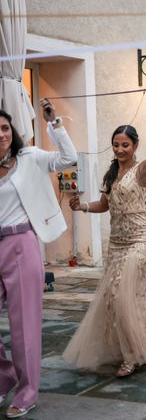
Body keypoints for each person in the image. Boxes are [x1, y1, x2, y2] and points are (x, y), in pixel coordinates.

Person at [64, 97, 146, 378]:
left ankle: (132, 356)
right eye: (116, 145)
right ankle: (135, 347)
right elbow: (104, 205)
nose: (119, 149)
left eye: (125, 145)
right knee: (119, 299)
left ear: (135, 146)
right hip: (116, 242)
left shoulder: (143, 171)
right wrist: (82, 207)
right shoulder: (112, 173)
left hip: (141, 239)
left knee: (123, 293)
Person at [0, 101, 77, 419]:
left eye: (5, 128)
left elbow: (68, 158)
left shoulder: (30, 158)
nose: (1, 134)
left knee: (24, 325)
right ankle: (4, 378)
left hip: (21, 244)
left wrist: (54, 124)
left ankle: (27, 391)